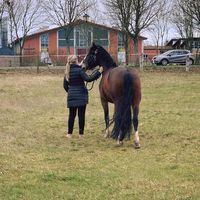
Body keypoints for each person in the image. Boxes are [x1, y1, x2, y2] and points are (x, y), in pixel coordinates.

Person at [63, 55, 103, 138]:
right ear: (76, 60)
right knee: (81, 115)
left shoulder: (67, 71)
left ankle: (69, 134)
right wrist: (99, 72)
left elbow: (65, 85)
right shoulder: (80, 70)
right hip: (81, 95)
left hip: (71, 96)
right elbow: (88, 79)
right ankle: (81, 134)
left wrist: (70, 92)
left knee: (71, 115)